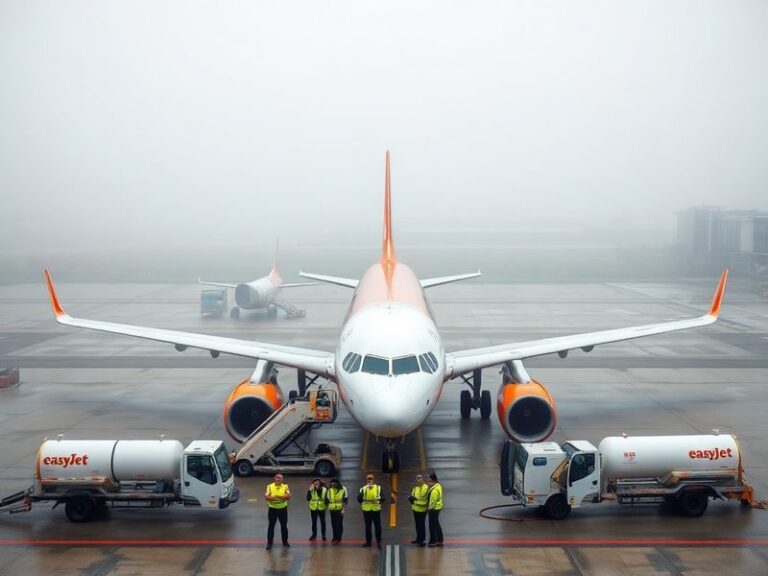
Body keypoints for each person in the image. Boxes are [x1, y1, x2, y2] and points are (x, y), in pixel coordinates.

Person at [357, 472, 385, 549]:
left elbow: (383, 498)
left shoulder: (378, 488)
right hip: (366, 510)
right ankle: (368, 542)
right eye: (368, 478)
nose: (369, 480)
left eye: (371, 478)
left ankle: (378, 542)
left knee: (378, 527)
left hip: (376, 510)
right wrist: (364, 498)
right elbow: (359, 499)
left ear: (373, 479)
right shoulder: (363, 488)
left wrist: (377, 500)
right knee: (368, 527)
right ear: (366, 479)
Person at [264, 473, 291, 550]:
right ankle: (269, 543)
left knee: (284, 526)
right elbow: (267, 497)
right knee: (271, 526)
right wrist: (282, 498)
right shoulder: (269, 486)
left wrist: (276, 496)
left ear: (282, 480)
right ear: (274, 478)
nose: (279, 479)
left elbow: (288, 496)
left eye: (280, 478)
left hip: (283, 509)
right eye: (277, 478)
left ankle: (285, 542)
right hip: (273, 509)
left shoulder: (285, 486)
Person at [408, 473, 429, 546]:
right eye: (417, 478)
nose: (418, 480)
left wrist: (415, 500)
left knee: (421, 525)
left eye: (420, 478)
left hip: (422, 510)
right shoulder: (415, 488)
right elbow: (412, 496)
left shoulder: (425, 488)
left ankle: (422, 540)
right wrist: (411, 498)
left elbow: (423, 499)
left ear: (422, 479)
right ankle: (418, 538)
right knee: (417, 525)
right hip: (415, 509)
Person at [326, 477, 348, 544]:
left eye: (334, 484)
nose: (332, 485)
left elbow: (345, 499)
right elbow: (327, 499)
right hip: (332, 509)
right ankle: (334, 537)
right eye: (331, 484)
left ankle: (339, 538)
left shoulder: (343, 489)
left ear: (337, 483)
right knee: (334, 524)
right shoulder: (329, 489)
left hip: (339, 509)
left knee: (339, 524)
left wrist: (343, 509)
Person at [426, 472, 443, 547]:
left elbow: (432, 502)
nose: (428, 482)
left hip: (434, 509)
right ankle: (440, 539)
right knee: (436, 524)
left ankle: (433, 540)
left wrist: (429, 509)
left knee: (432, 525)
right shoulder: (438, 486)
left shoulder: (434, 491)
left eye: (429, 481)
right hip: (438, 508)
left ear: (433, 480)